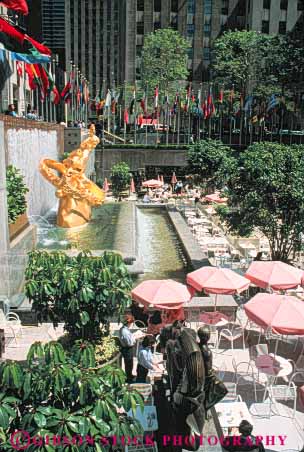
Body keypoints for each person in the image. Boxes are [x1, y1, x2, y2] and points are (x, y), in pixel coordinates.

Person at [198, 326, 227, 413]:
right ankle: (207, 406)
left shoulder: (197, 346)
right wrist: (214, 376)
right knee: (223, 390)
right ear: (208, 337)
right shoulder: (207, 352)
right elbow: (208, 371)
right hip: (206, 377)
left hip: (201, 373)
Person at [119, 315, 136, 383]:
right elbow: (129, 343)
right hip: (127, 348)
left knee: (130, 363)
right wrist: (135, 339)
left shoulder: (125, 329)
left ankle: (130, 376)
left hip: (127, 348)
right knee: (128, 364)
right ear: (128, 323)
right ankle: (129, 379)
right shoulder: (124, 331)